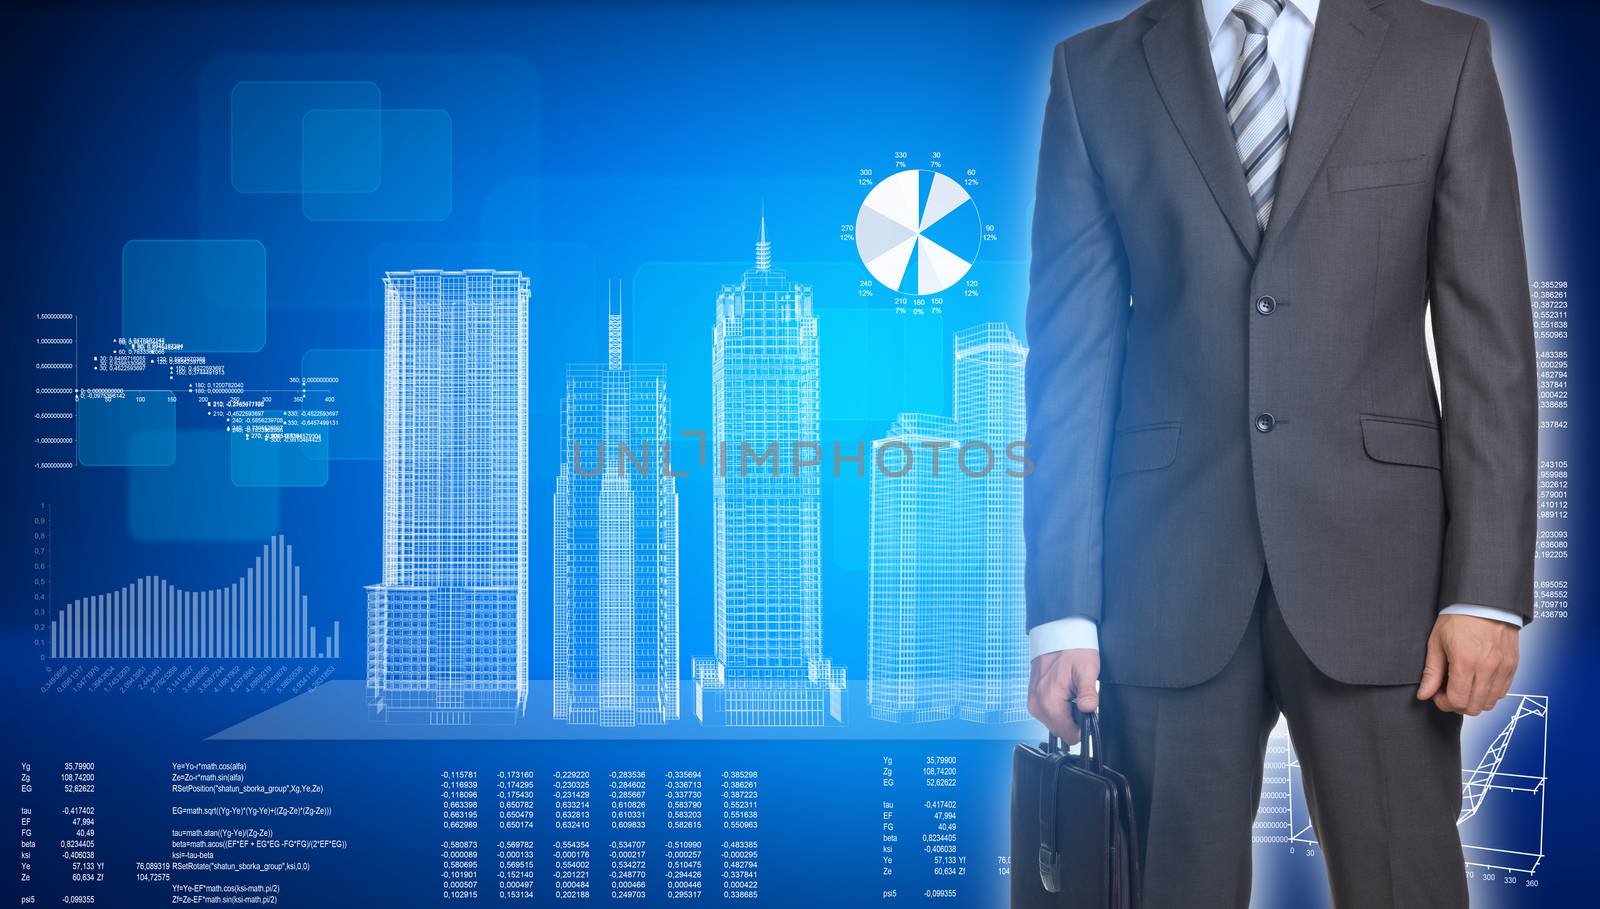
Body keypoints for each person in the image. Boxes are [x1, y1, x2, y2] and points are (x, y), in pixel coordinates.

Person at [1022, 0, 1536, 906]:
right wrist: (1063, 612)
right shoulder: (1094, 73)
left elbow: (1488, 339)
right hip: (1166, 574)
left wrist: (1486, 588)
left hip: (1387, 580)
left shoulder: (1441, 54)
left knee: (1404, 887)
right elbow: (1070, 365)